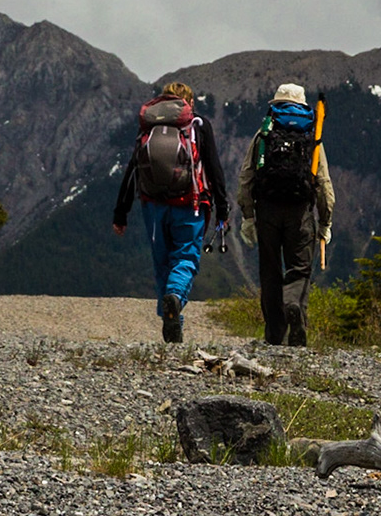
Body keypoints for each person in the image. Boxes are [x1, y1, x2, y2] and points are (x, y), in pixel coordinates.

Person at [112, 82, 228, 342]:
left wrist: (121, 213)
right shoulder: (198, 124)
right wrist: (223, 209)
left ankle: (171, 320)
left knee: (162, 262)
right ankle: (175, 298)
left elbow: (132, 170)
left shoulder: (149, 126)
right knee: (185, 258)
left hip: (153, 206)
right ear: (188, 103)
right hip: (190, 205)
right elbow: (214, 167)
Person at [237, 83, 335, 346]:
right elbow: (323, 183)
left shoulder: (264, 133)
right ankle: (295, 310)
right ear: (302, 105)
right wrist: (325, 222)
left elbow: (246, 177)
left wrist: (248, 217)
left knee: (270, 271)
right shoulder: (312, 134)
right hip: (301, 211)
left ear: (275, 105)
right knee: (300, 269)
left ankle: (274, 334)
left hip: (267, 210)